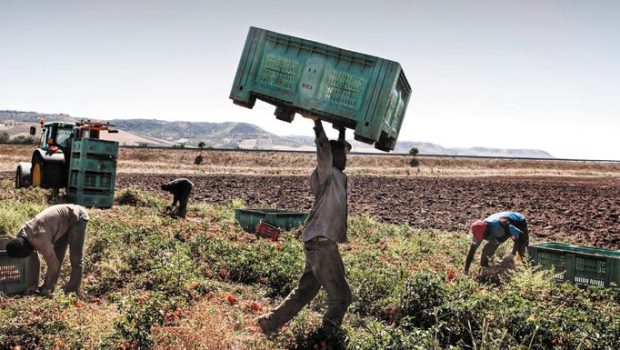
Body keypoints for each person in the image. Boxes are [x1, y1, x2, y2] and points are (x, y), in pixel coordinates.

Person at [258, 117, 352, 334]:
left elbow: (334, 151)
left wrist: (342, 132)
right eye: (343, 154)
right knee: (341, 296)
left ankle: (270, 322)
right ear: (333, 156)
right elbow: (325, 152)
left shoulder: (338, 175)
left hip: (318, 242)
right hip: (321, 244)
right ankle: (327, 336)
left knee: (306, 290)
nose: (346, 159)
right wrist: (318, 123)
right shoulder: (326, 174)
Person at [6, 204, 89, 297]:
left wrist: (46, 288)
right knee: (57, 255)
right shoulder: (21, 234)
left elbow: (53, 265)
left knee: (76, 258)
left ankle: (72, 291)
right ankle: (49, 287)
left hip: (76, 217)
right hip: (61, 221)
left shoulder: (40, 241)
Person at [464, 211, 529, 274]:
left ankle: (530, 270)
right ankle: (485, 270)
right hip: (500, 232)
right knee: (487, 250)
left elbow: (521, 236)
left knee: (523, 250)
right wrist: (466, 270)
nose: (481, 239)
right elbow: (472, 251)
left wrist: (513, 253)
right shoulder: (479, 229)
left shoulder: (501, 224)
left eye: (482, 237)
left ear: (486, 231)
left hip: (518, 222)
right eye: (479, 237)